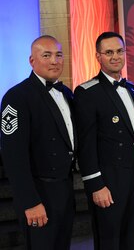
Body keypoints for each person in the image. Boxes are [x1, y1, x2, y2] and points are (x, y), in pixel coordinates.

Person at [0, 35, 76, 249]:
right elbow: (14, 157)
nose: (54, 61)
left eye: (58, 55)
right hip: (39, 192)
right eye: (47, 55)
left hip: (64, 189)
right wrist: (30, 201)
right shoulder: (16, 97)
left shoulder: (66, 93)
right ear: (32, 61)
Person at [74, 32, 134, 249]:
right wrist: (96, 184)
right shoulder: (87, 92)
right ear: (98, 56)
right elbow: (86, 145)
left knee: (132, 237)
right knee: (109, 240)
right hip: (108, 180)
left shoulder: (130, 88)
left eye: (119, 51)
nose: (115, 56)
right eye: (109, 52)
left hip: (132, 175)